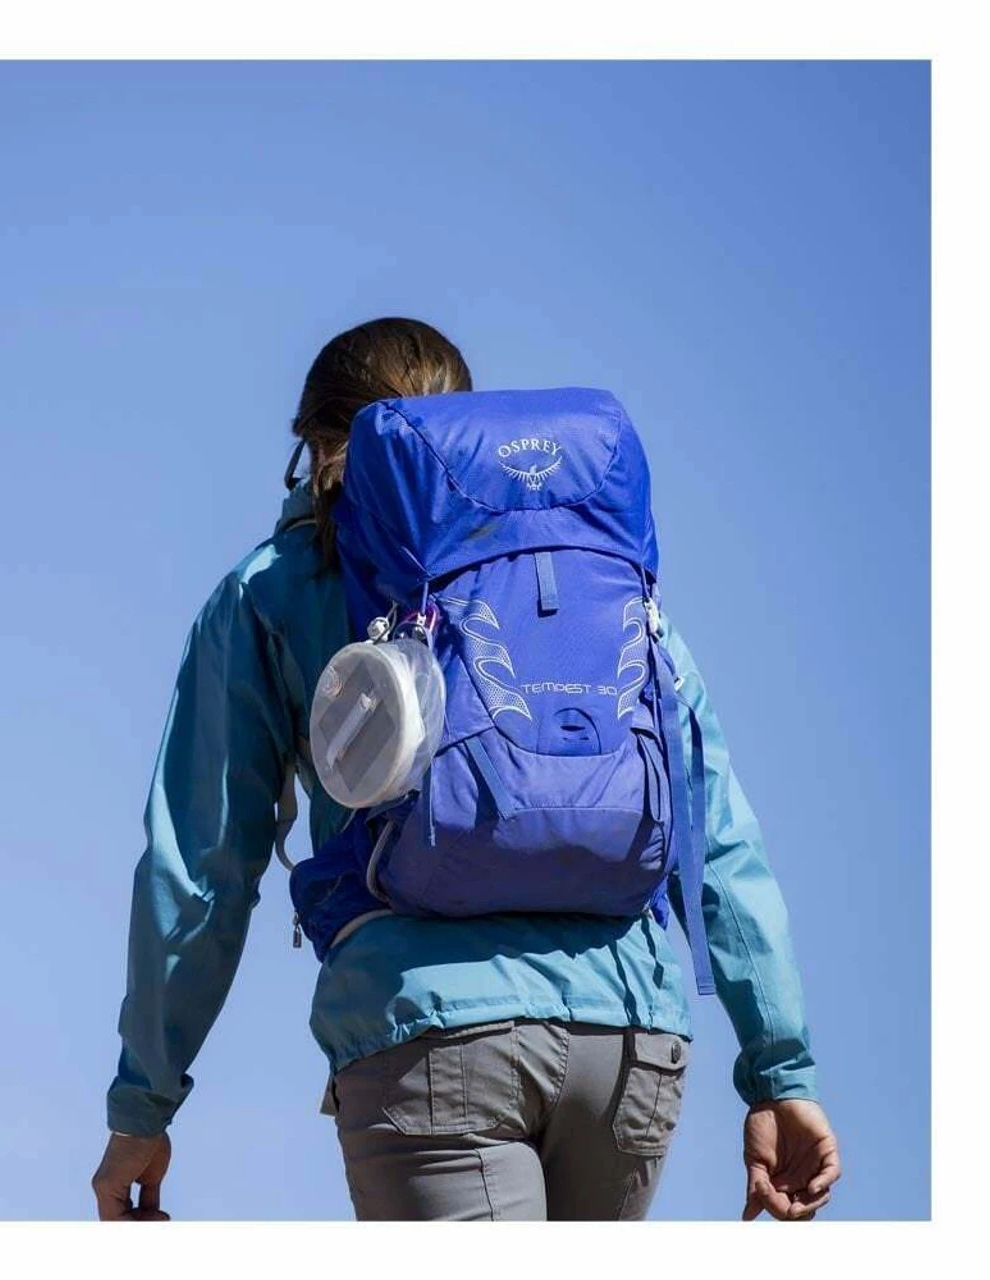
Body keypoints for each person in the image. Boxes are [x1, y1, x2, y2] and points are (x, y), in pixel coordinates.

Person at [90, 317, 841, 1222]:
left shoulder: (272, 591)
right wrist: (780, 1069)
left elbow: (201, 870)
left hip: (430, 1038)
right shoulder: (595, 574)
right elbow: (713, 832)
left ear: (316, 446)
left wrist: (143, 1105)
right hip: (630, 1043)